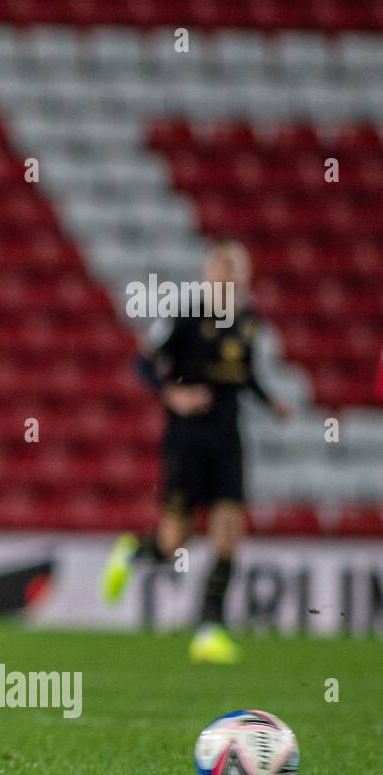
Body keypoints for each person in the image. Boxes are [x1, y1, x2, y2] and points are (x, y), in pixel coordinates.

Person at [101, 239, 290, 663]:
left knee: (229, 532)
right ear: (208, 274)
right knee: (175, 540)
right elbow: (143, 364)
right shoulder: (184, 313)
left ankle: (210, 628)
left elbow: (245, 374)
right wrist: (174, 396)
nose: (228, 276)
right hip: (187, 439)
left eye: (235, 269)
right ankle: (132, 552)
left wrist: (270, 401)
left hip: (228, 438)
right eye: (221, 269)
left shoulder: (249, 321)